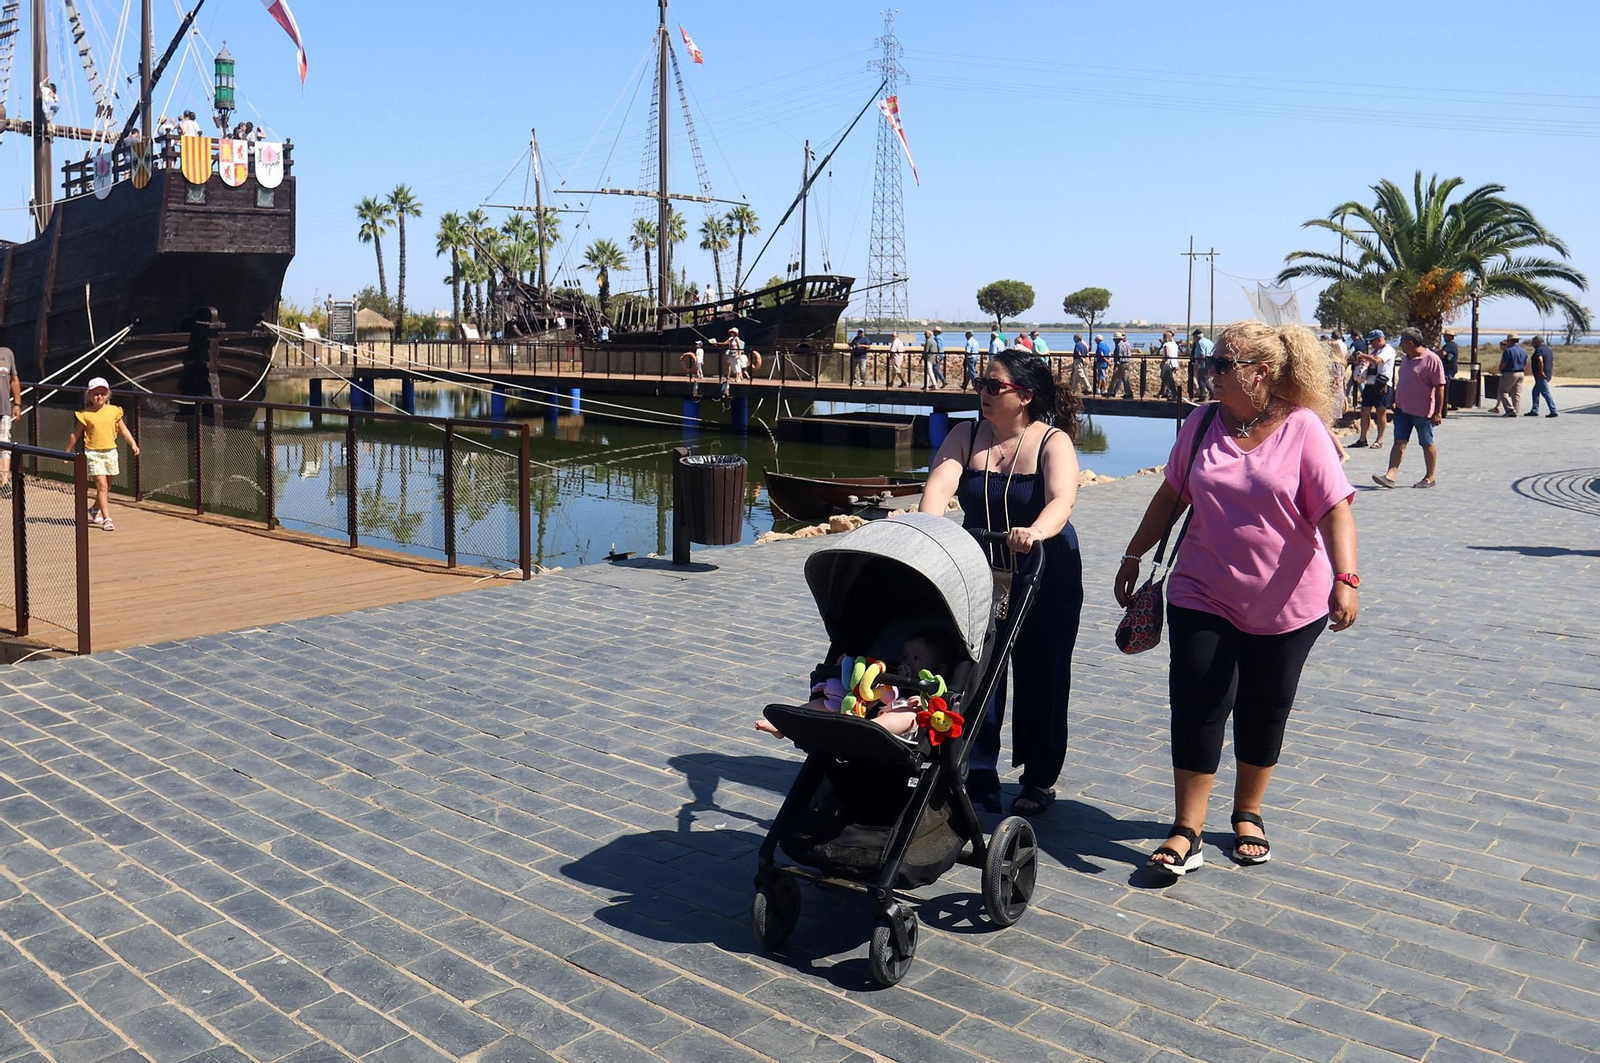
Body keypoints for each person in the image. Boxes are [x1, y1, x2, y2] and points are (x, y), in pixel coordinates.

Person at [1116, 321, 1357, 875]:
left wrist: (1348, 579)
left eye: (1221, 365)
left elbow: (1336, 508)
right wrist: (1133, 554)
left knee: (1265, 705)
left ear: (1260, 374)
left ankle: (1248, 813)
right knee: (1199, 703)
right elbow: (1172, 492)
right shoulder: (1202, 422)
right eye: (1211, 362)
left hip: (1289, 603)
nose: (1209, 372)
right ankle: (1187, 829)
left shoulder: (1303, 429)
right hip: (1202, 589)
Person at [918, 350, 1085, 816]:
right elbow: (939, 484)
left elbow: (1061, 501)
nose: (983, 393)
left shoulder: (1053, 442)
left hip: (1043, 571)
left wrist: (1035, 531)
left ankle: (1039, 777)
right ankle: (975, 775)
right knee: (978, 672)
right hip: (982, 569)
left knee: (1042, 674)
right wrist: (927, 527)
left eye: (995, 386)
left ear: (1025, 396)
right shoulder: (966, 433)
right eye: (981, 383)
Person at [755, 628, 957, 742]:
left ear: (939, 668)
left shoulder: (935, 685)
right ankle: (787, 724)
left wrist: (923, 705)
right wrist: (847, 667)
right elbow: (867, 685)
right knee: (833, 701)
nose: (908, 662)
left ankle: (869, 731)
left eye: (916, 658)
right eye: (906, 656)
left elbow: (939, 710)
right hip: (863, 713)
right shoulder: (892, 670)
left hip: (901, 728)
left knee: (907, 713)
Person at [1372, 327, 1446, 489]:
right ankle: (1390, 475)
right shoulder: (1406, 359)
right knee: (1399, 442)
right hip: (1402, 410)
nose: (1400, 345)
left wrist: (1438, 412)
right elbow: (1403, 379)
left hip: (1423, 411)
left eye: (1402, 342)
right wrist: (1395, 395)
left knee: (1426, 443)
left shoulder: (1432, 359)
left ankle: (1429, 477)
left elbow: (1440, 386)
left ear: (1411, 343)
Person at [66, 378, 141, 532]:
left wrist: (133, 443)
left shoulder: (114, 411)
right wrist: (68, 450)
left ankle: (94, 510)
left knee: (108, 486)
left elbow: (124, 430)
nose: (99, 397)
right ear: (89, 396)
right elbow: (76, 434)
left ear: (108, 395)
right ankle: (107, 518)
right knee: (102, 486)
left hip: (110, 451)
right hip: (93, 453)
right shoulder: (86, 414)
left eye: (102, 393)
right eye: (95, 394)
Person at [1350, 329, 1394, 448]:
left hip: (1381, 384)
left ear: (1379, 339)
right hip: (1369, 384)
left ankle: (1379, 439)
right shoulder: (1376, 351)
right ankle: (1363, 438)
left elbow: (1377, 361)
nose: (1371, 344)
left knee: (1380, 412)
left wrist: (1364, 355)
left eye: (1372, 341)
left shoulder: (1388, 350)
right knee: (1364, 410)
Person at [0, 346, 21, 493]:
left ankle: (4, 481)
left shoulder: (7, 353)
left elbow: (14, 380)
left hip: (4, 408)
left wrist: (17, 404)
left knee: (5, 444)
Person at [1526, 335, 1557, 418]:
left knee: (1545, 393)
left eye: (1534, 342)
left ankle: (1553, 410)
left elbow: (1540, 360)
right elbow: (1552, 361)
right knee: (1535, 392)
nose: (1532, 344)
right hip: (1547, 374)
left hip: (1541, 376)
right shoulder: (1549, 349)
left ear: (1539, 341)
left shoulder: (1539, 350)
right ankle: (1534, 410)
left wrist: (1541, 372)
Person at [1497, 334, 1527, 417]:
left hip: (1510, 372)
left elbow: (1504, 363)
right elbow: (1524, 363)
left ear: (1510, 341)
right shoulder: (1523, 351)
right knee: (1516, 393)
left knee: (1502, 391)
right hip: (1521, 372)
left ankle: (1510, 409)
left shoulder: (1508, 351)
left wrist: (1501, 369)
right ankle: (1516, 411)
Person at [1326, 331, 1349, 415]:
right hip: (1340, 394)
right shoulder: (1341, 364)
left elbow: (1337, 381)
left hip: (1334, 395)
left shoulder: (1335, 365)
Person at [1190, 329, 1216, 402]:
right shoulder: (1209, 342)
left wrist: (1198, 364)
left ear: (1197, 336)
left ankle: (1203, 396)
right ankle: (1213, 394)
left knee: (1201, 380)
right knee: (1206, 380)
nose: (1194, 339)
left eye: (1194, 337)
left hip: (1203, 364)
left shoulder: (1200, 343)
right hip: (1209, 363)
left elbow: (1202, 355)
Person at [1439, 329, 1460, 412]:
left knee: (1445, 388)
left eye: (1445, 335)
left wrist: (1436, 356)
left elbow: (1443, 354)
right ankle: (1452, 404)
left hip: (1448, 369)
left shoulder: (1449, 345)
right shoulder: (1452, 345)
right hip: (1450, 368)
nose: (1444, 337)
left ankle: (1443, 407)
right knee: (1448, 387)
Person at [1106, 333, 1133, 398]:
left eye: (1114, 339)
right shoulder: (1126, 344)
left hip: (1122, 364)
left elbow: (1119, 356)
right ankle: (1128, 393)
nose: (1113, 340)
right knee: (1125, 379)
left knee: (1116, 378)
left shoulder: (1119, 346)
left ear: (1117, 339)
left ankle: (1110, 392)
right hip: (1127, 362)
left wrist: (1116, 366)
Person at [1157, 330, 1183, 399]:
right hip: (1174, 363)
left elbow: (1167, 355)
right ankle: (1162, 392)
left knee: (1168, 380)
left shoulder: (1166, 345)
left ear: (1166, 338)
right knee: (1165, 378)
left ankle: (1175, 394)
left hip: (1168, 364)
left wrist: (1162, 363)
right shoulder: (1174, 345)